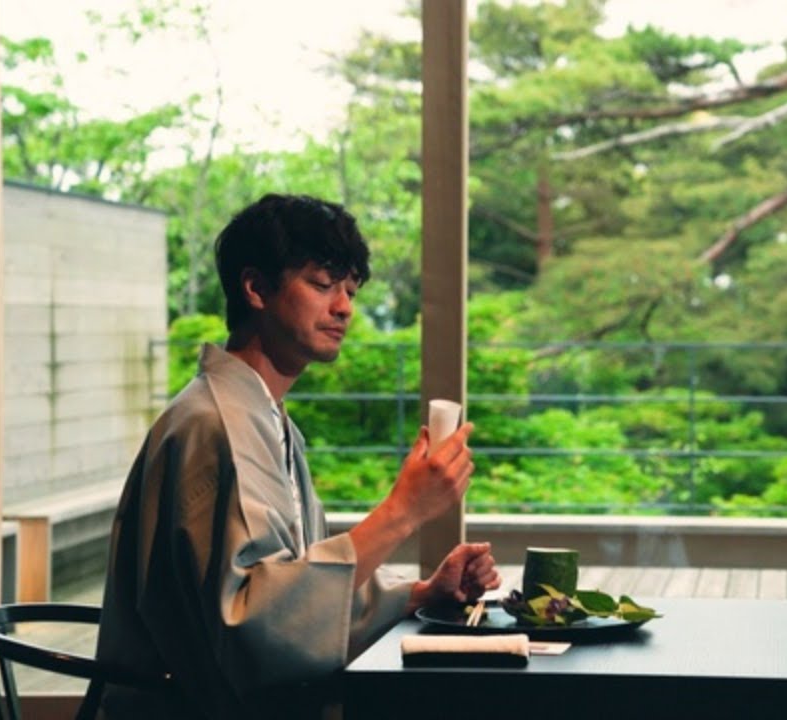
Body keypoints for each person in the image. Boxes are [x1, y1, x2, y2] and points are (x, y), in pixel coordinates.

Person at [96, 193, 499, 719]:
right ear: (256, 288)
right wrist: (403, 510)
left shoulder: (267, 419)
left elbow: (299, 596)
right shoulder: (214, 425)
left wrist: (421, 594)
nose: (344, 307)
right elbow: (256, 627)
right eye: (322, 284)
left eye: (350, 290)